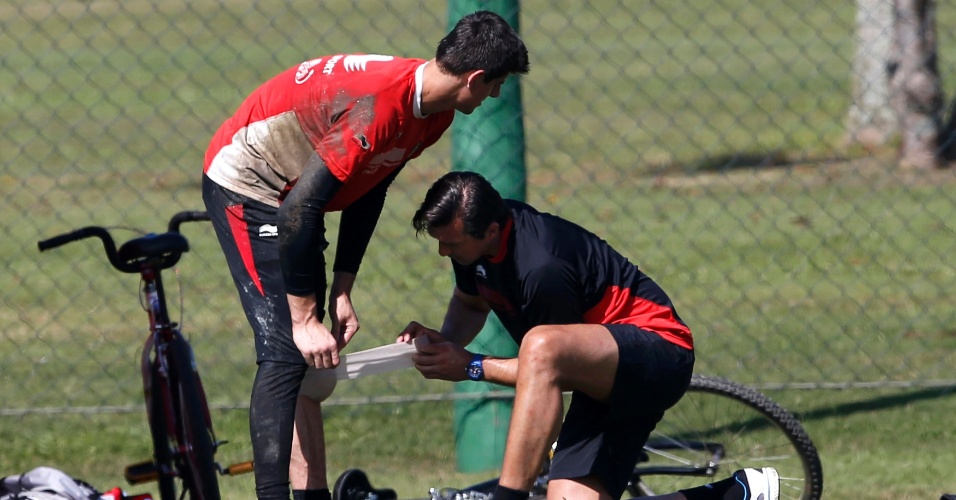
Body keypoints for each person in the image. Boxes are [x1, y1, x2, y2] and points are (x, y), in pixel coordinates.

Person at [201, 12, 530, 500]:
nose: (494, 98)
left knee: (309, 361)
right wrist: (303, 315)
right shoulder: (381, 107)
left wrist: (342, 287)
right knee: (285, 349)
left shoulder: (434, 112)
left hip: (297, 198)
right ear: (475, 78)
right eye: (495, 86)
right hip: (250, 187)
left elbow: (368, 185)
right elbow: (298, 210)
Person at [398, 171, 780, 500]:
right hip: (602, 380)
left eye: (451, 243)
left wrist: (471, 367)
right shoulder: (475, 249)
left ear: (492, 231)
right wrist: (445, 344)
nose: (441, 251)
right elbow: (470, 304)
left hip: (657, 351)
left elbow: (548, 369)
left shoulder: (540, 267)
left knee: (542, 345)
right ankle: (737, 493)